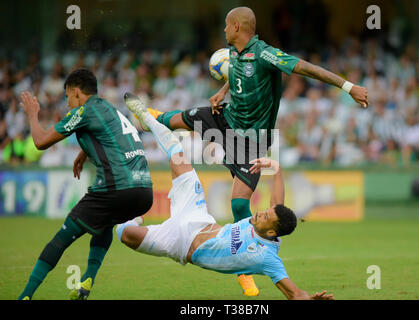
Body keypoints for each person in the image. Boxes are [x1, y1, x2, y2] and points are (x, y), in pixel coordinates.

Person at [125, 6, 368, 296]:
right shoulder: (237, 54)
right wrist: (223, 91)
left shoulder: (265, 54)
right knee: (183, 118)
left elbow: (303, 67)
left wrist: (348, 86)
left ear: (238, 27)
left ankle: (243, 269)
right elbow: (239, 73)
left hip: (250, 142)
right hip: (227, 118)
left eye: (227, 26)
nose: (224, 30)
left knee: (239, 203)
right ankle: (149, 118)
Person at [116, 102, 334, 300]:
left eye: (265, 216)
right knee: (178, 155)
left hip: (180, 244)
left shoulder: (267, 258)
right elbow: (277, 204)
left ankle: (135, 220)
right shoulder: (268, 223)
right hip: (198, 217)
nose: (258, 213)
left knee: (124, 234)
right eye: (265, 211)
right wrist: (276, 169)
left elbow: (294, 293)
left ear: (271, 233)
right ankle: (149, 120)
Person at [17, 69, 153, 300]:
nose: (68, 103)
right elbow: (111, 137)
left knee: (61, 238)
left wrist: (32, 114)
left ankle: (25, 296)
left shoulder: (84, 110)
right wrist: (84, 152)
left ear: (77, 93)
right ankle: (86, 284)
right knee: (106, 222)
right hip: (144, 191)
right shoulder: (109, 108)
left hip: (116, 188)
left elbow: (40, 142)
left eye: (68, 97)